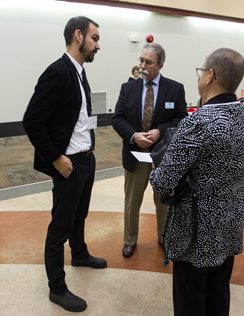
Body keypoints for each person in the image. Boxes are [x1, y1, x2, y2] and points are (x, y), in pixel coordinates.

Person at [150, 48, 244, 316]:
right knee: (218, 292)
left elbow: (163, 181)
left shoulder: (198, 122)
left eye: (201, 71)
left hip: (196, 231)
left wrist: (155, 166)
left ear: (210, 76)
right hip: (230, 222)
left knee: (190, 299)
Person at [22, 16, 105, 313]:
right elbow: (32, 121)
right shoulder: (57, 72)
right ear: (78, 36)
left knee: (79, 216)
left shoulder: (79, 72)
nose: (98, 45)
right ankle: (56, 287)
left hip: (87, 158)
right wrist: (56, 158)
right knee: (60, 227)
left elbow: (79, 117)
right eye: (95, 38)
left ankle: (80, 254)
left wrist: (89, 151)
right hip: (68, 164)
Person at [112, 43, 187, 259]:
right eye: (141, 60)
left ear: (161, 65)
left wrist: (160, 132)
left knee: (163, 202)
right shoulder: (128, 88)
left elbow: (181, 118)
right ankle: (129, 240)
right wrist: (134, 136)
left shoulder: (175, 89)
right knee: (131, 202)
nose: (142, 65)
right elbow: (117, 118)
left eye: (149, 62)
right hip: (134, 155)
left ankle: (164, 237)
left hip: (163, 156)